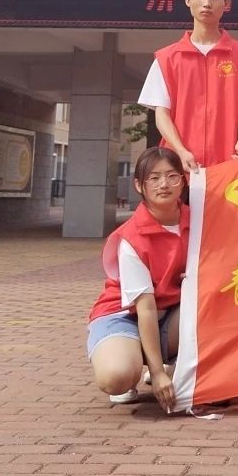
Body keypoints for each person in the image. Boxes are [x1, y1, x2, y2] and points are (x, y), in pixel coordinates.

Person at [87, 148, 190, 411]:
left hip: (170, 314)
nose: (164, 184)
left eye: (172, 176)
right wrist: (157, 372)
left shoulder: (199, 221)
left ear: (183, 180)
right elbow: (145, 308)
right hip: (124, 316)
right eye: (154, 178)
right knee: (117, 377)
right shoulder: (132, 237)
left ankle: (174, 364)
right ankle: (132, 360)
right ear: (139, 185)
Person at [138, 0, 238, 171]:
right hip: (178, 165)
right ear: (188, 0)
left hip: (229, 164)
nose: (207, 3)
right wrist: (181, 151)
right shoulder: (166, 58)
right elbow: (162, 114)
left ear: (227, 3)